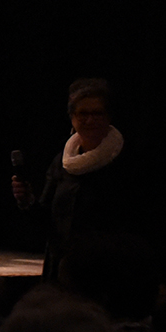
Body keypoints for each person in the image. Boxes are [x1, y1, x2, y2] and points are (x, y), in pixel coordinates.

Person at [11, 79, 141, 282]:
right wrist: (27, 201)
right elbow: (47, 222)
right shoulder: (62, 162)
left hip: (109, 274)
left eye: (97, 113)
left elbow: (142, 226)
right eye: (82, 113)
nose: (90, 120)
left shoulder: (126, 162)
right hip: (62, 271)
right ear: (72, 117)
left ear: (109, 116)